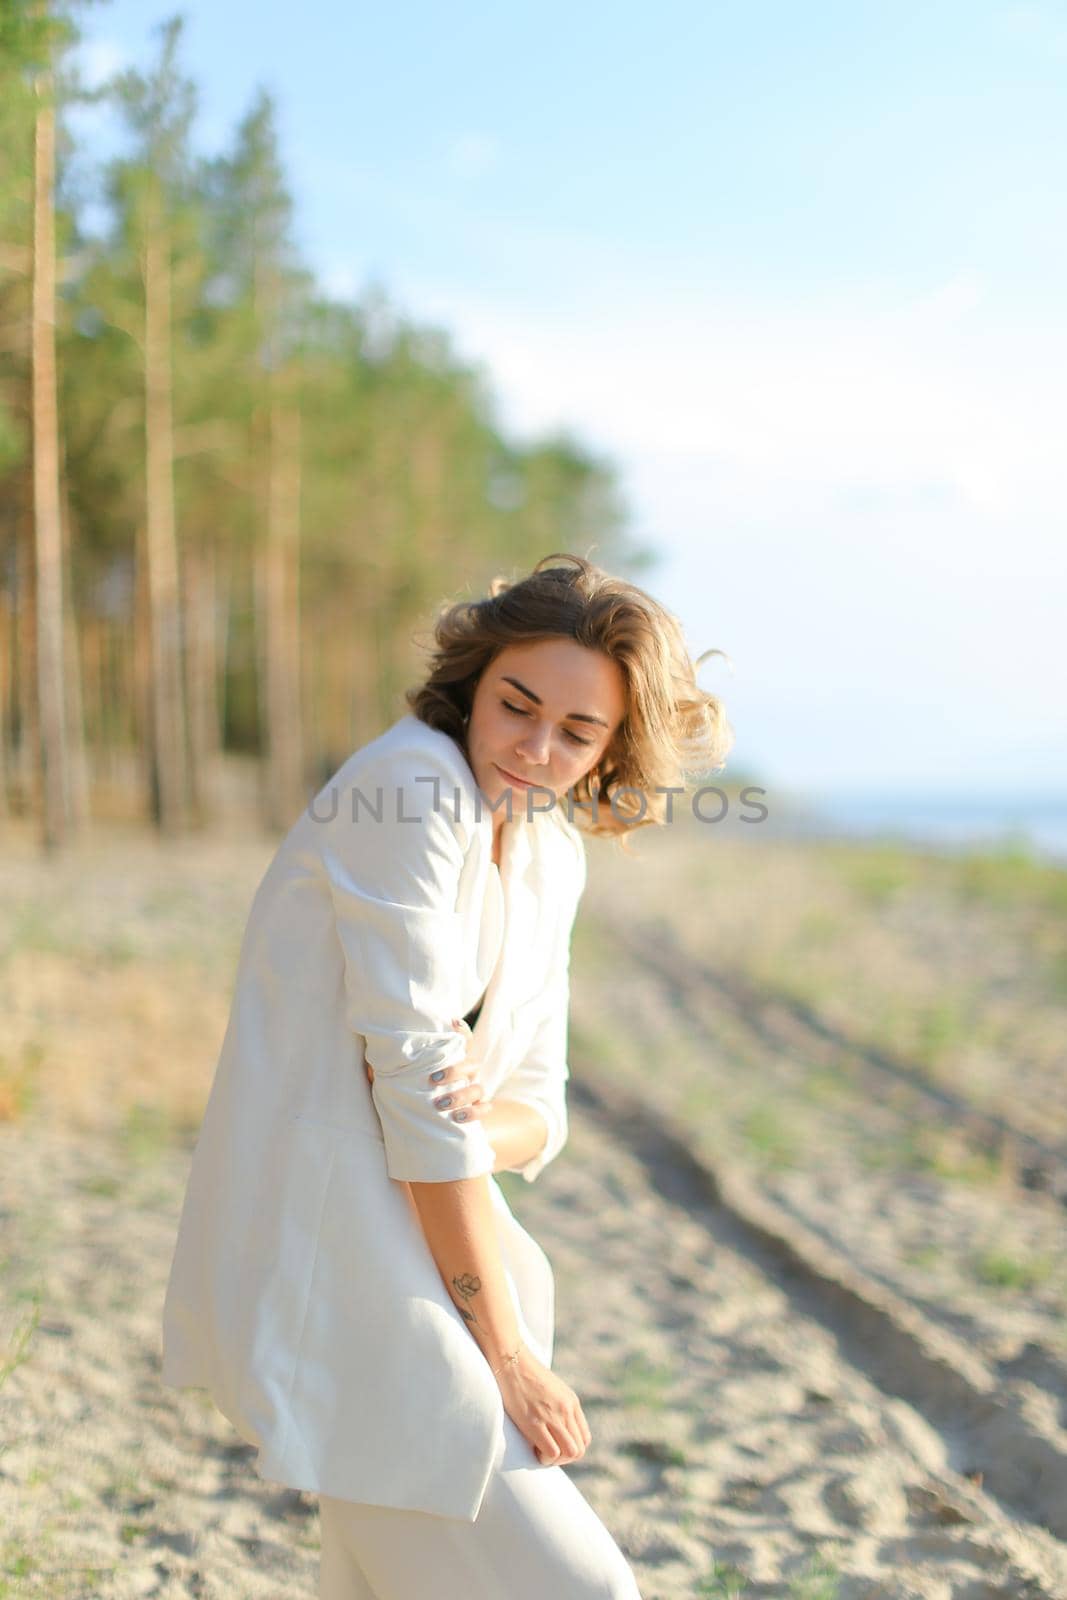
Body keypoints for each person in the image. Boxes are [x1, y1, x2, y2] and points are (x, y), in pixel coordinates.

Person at [161, 551, 733, 1599]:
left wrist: (458, 1113)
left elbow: (536, 1109)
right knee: (585, 1590)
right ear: (473, 679)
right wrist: (507, 1355)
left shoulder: (551, 850)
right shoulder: (405, 787)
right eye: (517, 705)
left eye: (578, 731)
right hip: (336, 1262)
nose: (536, 747)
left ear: (615, 745)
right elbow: (418, 1090)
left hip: (429, 1262)